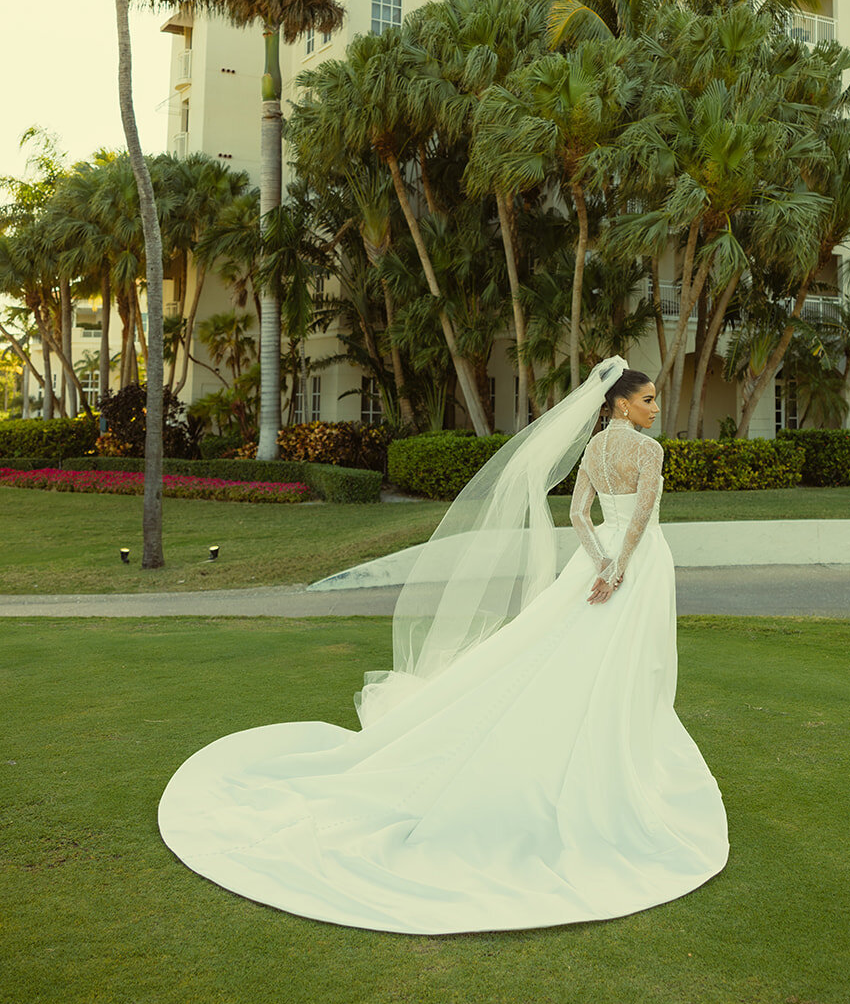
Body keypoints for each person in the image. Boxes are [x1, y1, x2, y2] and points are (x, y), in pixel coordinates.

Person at [158, 358, 729, 934]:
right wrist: (620, 566)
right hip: (635, 567)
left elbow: (580, 513)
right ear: (623, 403)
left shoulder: (593, 453)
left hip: (593, 563)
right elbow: (642, 518)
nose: (657, 409)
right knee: (630, 664)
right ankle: (622, 757)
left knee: (563, 653)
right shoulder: (649, 453)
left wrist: (597, 559)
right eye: (650, 399)